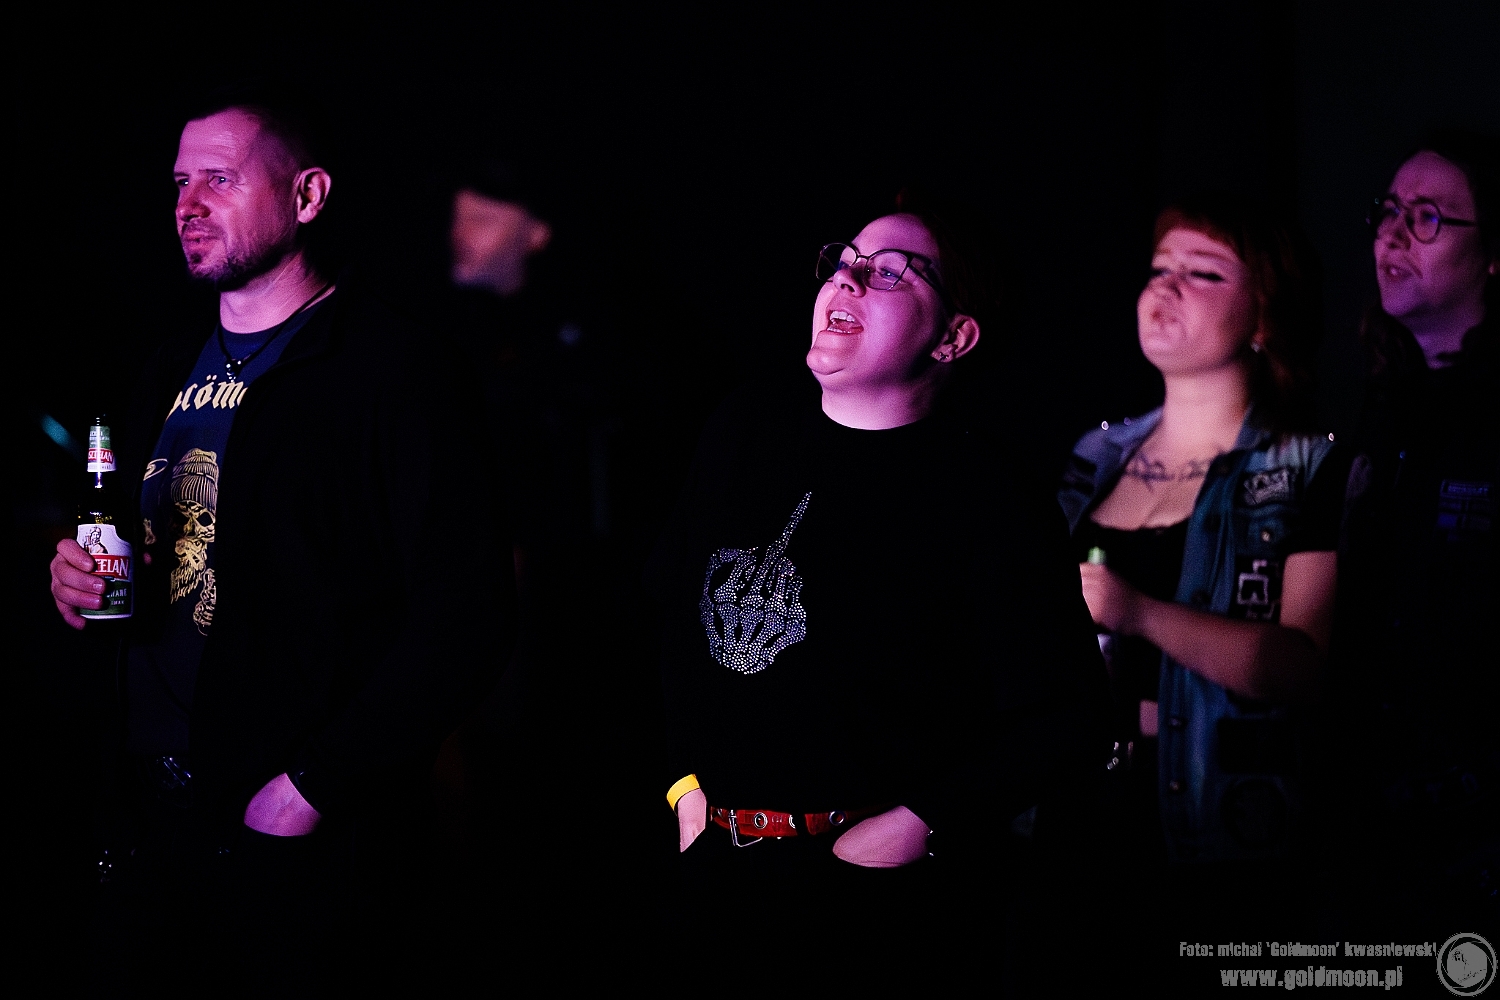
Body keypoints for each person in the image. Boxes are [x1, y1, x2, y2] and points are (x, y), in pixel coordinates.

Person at [48, 90, 511, 983]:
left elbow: (469, 618)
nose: (187, 205)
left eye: (219, 180)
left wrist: (313, 788)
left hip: (296, 841)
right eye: (179, 182)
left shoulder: (394, 369)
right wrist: (79, 585)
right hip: (144, 827)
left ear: (307, 196)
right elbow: (150, 569)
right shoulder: (164, 369)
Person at [651, 195, 1106, 949]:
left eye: (891, 272)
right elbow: (667, 615)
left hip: (883, 904)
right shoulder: (746, 431)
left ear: (954, 336)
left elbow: (1068, 717)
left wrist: (912, 827)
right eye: (845, 262)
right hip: (716, 872)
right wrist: (685, 786)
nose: (847, 279)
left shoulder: (985, 492)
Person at [1056, 194, 1346, 894]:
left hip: (1214, 831)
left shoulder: (1306, 464)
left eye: (1205, 273)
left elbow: (1305, 669)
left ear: (1264, 315)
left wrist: (1140, 613)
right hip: (1072, 813)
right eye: (1161, 268)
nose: (1168, 286)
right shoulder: (1097, 455)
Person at [1328, 133, 1498, 935]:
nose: (1392, 235)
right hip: (1372, 818)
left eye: (1426, 217)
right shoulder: (1375, 406)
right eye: (1388, 211)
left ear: (1492, 254)